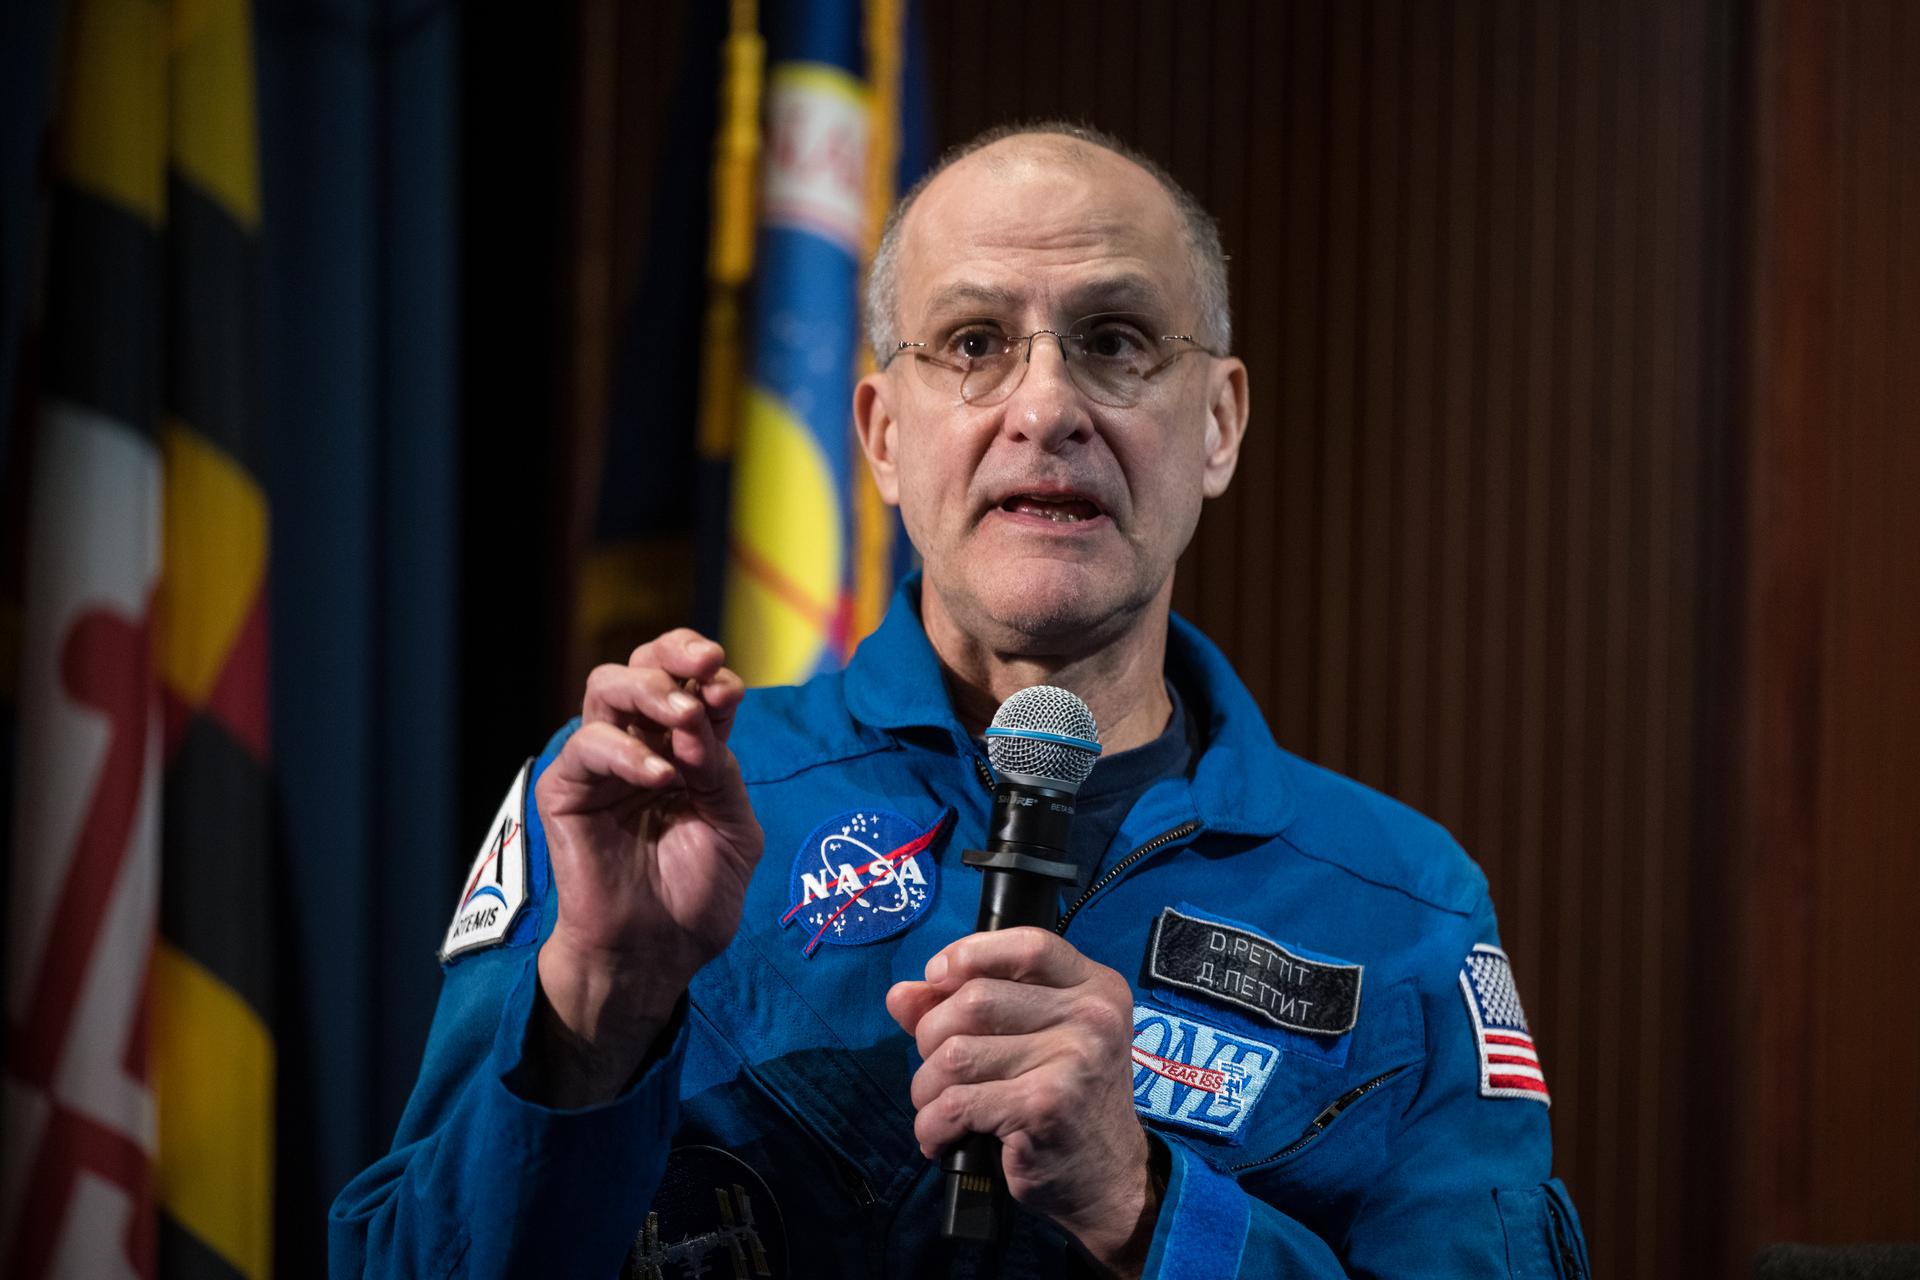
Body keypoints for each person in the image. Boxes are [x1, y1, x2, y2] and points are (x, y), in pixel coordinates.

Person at [330, 121, 1590, 1279]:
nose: (1044, 408)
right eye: (976, 343)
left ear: (1218, 423)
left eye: (1114, 341)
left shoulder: (1405, 903)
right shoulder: (646, 809)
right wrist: (597, 1007)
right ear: (881, 433)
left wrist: (1144, 1203)